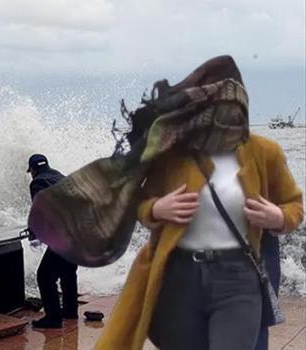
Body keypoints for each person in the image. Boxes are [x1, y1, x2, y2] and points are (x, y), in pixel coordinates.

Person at [95, 56, 303, 350]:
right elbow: (134, 198)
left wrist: (279, 217)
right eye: (223, 112)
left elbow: (294, 205)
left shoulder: (264, 152)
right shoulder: (173, 154)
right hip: (179, 276)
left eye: (238, 112)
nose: (231, 120)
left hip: (238, 276)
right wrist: (155, 209)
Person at [27, 154, 79, 329]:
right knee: (67, 272)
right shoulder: (61, 177)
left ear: (33, 170)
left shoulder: (37, 182)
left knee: (45, 276)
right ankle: (70, 310)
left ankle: (53, 318)